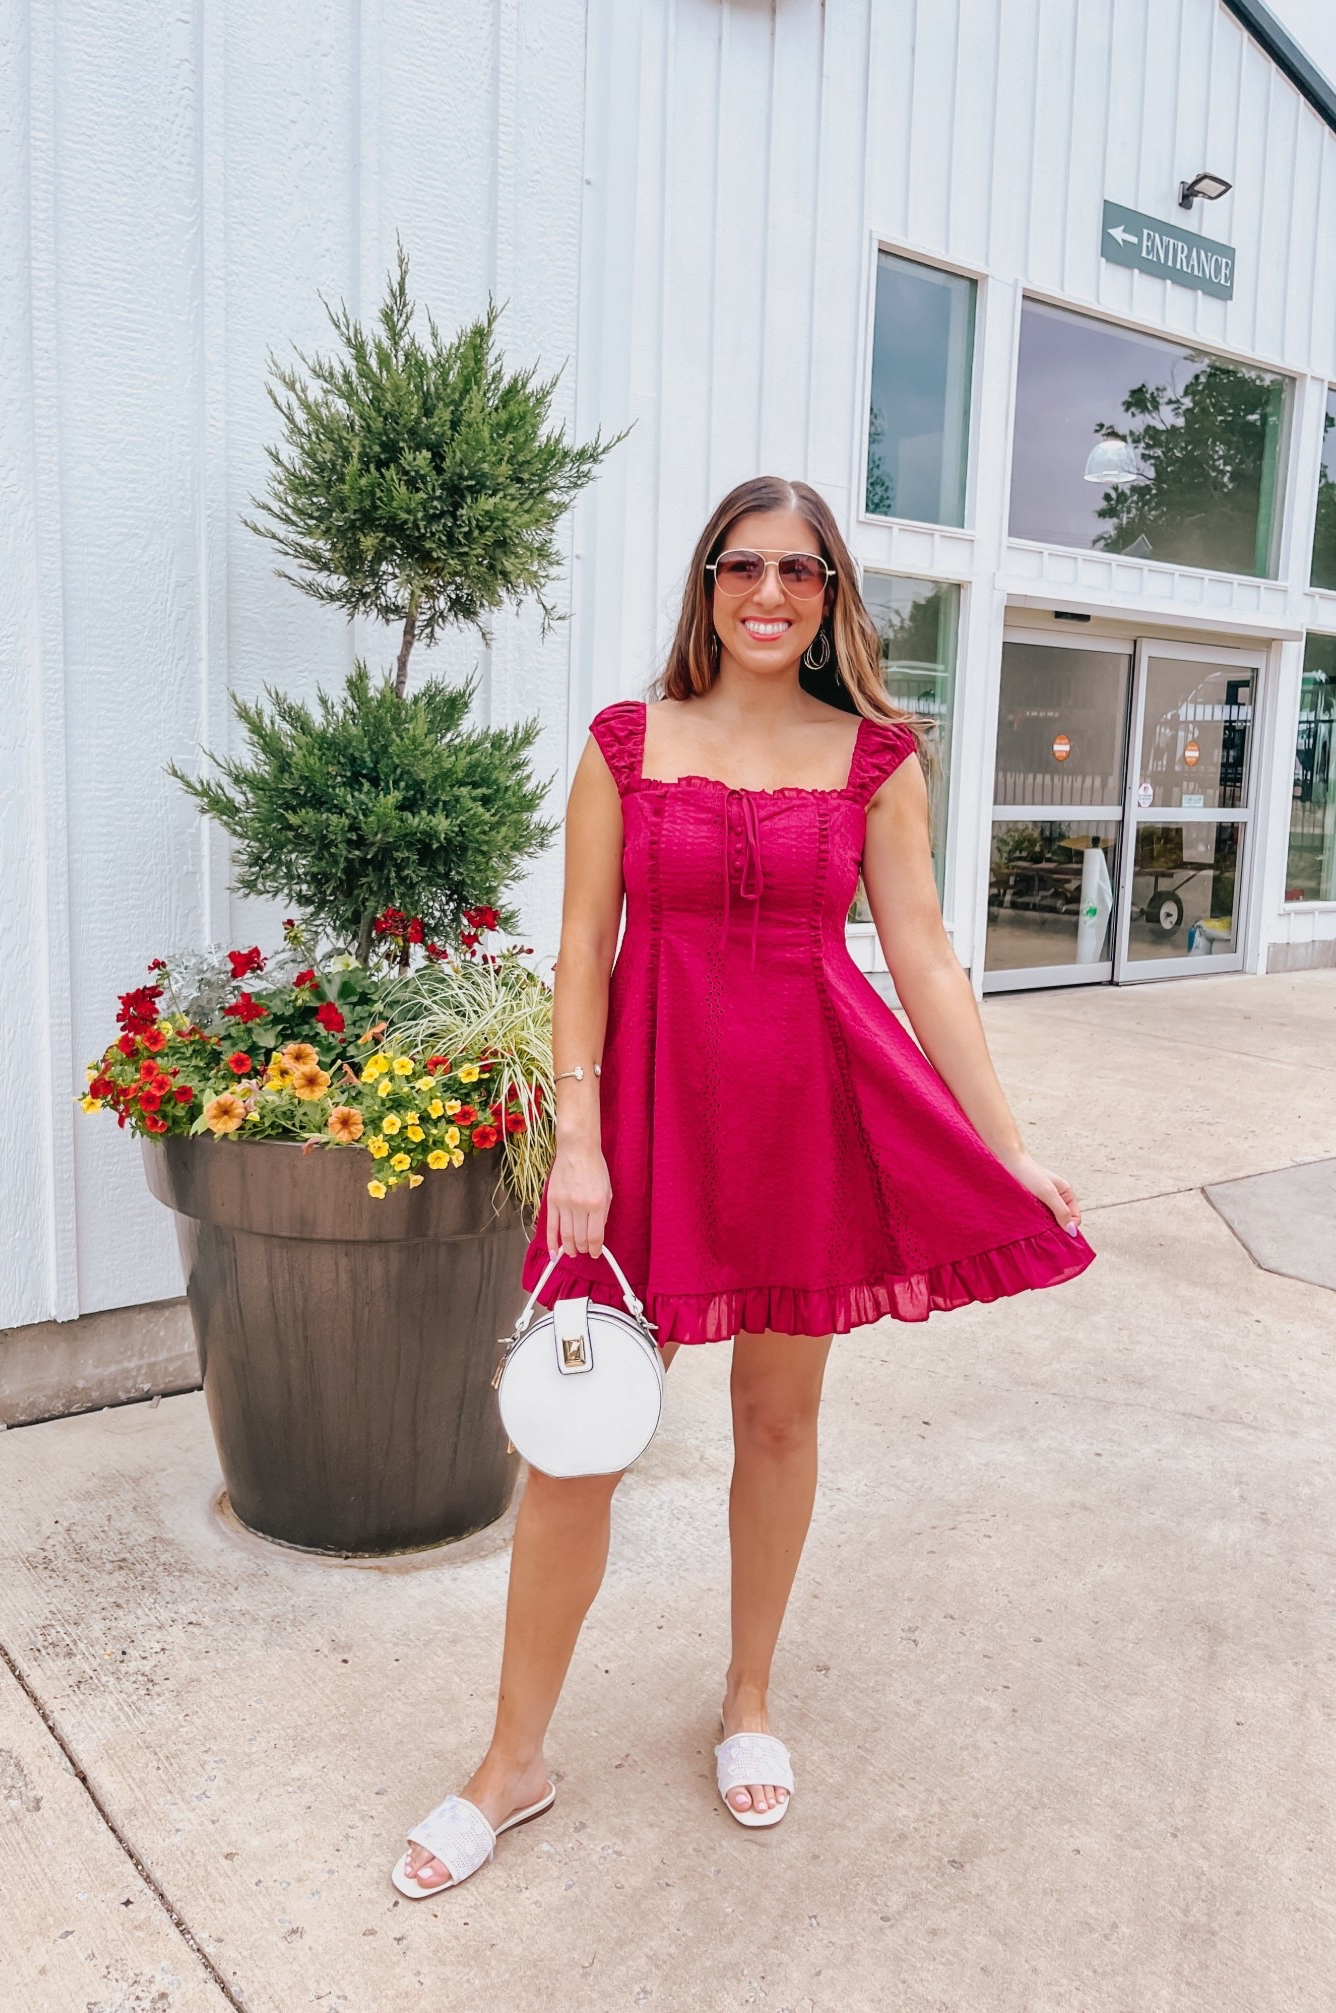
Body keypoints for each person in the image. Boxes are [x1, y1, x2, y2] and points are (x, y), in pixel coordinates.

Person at [392, 474, 1096, 1896]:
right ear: (705, 583)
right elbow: (581, 945)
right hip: (643, 1110)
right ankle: (510, 1760)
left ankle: (747, 1698)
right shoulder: (624, 741)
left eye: (800, 571)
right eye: (741, 567)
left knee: (778, 1421)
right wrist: (576, 1139)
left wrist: (1002, 1139)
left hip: (803, 1111)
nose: (768, 595)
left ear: (834, 596)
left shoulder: (874, 756)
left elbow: (923, 957)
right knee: (575, 1439)